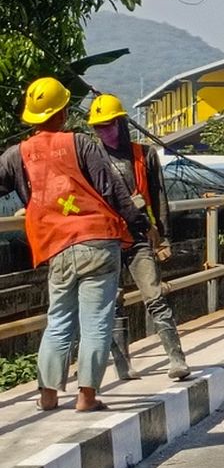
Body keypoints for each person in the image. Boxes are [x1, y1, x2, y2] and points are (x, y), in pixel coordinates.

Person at [0, 78, 147, 412]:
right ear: (63, 111)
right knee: (96, 321)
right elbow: (111, 188)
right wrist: (138, 223)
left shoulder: (16, 155)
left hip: (56, 245)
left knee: (59, 320)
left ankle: (48, 395)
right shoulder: (81, 143)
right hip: (98, 241)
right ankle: (87, 397)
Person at [88, 94, 190, 380]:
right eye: (98, 127)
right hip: (106, 239)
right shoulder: (91, 158)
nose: (103, 131)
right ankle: (124, 367)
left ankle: (176, 359)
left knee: (155, 296)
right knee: (114, 302)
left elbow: (159, 197)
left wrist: (165, 237)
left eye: (108, 125)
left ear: (121, 123)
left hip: (140, 236)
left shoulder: (143, 154)